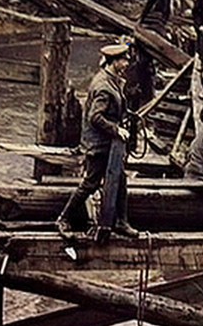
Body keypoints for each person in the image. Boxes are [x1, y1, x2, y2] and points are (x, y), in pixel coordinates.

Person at [56, 43, 142, 240]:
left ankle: (121, 222)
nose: (127, 63)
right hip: (100, 144)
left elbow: (113, 108)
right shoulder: (103, 86)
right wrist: (116, 129)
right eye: (124, 60)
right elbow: (96, 117)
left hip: (111, 145)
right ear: (115, 62)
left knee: (120, 180)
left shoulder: (112, 80)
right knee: (91, 183)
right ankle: (64, 217)